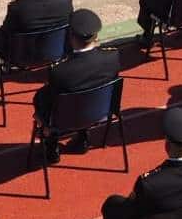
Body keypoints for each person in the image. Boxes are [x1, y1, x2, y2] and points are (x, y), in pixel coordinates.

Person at [32, 8, 121, 163]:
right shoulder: (112, 57)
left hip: (64, 119)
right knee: (85, 93)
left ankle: (51, 144)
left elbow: (49, 100)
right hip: (101, 112)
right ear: (96, 35)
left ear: (70, 36)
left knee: (43, 97)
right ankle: (83, 137)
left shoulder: (59, 70)